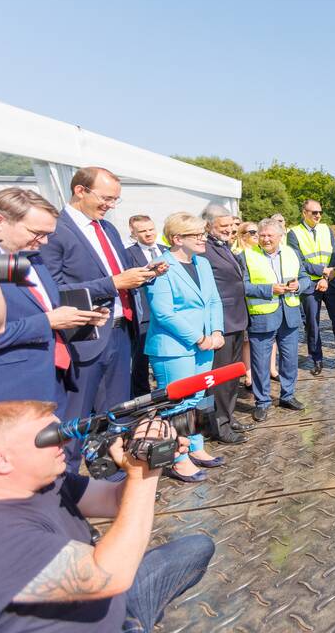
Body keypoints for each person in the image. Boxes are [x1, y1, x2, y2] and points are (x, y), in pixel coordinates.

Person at [0, 400, 214, 631]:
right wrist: (144, 470)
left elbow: (113, 500)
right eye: (52, 436)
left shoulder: (44, 482)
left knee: (198, 547)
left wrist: (149, 458)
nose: (66, 442)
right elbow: (108, 576)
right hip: (106, 587)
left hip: (115, 604)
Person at [42, 167, 163, 468]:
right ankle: (64, 479)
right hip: (85, 338)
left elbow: (120, 276)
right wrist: (112, 284)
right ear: (80, 191)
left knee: (115, 412)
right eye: (106, 198)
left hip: (122, 333)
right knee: (78, 416)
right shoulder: (56, 230)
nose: (110, 205)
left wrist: (146, 275)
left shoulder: (107, 229)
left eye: (115, 200)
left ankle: (108, 473)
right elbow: (51, 290)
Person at [0, 189, 108, 417]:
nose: (45, 241)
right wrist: (48, 321)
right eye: (38, 233)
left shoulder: (31, 255)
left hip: (52, 378)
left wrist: (80, 316)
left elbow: (41, 305)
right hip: (6, 391)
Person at [143, 213, 225, 483]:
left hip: (205, 344)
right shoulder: (161, 266)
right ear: (177, 239)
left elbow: (213, 300)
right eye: (197, 235)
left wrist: (216, 331)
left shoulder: (202, 263)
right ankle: (178, 458)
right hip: (174, 347)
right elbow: (163, 313)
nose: (203, 238)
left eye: (203, 233)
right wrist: (198, 337)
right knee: (177, 404)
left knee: (199, 397)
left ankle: (195, 445)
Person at [241, 218, 310, 422]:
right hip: (263, 316)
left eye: (270, 235)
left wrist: (298, 286)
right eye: (262, 235)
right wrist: (269, 289)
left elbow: (305, 278)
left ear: (281, 236)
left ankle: (287, 395)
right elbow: (242, 286)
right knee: (260, 362)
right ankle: (262, 402)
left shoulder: (292, 253)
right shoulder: (246, 255)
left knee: (289, 360)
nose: (265, 239)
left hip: (289, 314)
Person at [200, 205, 252, 445]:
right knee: (220, 378)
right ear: (209, 225)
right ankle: (218, 425)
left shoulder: (226, 246)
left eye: (232, 226)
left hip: (236, 319)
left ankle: (228, 417)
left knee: (232, 376)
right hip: (220, 322)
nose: (230, 230)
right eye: (224, 226)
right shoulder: (204, 250)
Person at [287, 200, 335, 376]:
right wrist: (321, 271)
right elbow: (298, 260)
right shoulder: (293, 233)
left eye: (320, 212)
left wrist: (325, 276)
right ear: (304, 213)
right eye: (314, 212)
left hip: (329, 280)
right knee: (312, 324)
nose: (318, 215)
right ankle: (317, 359)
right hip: (308, 283)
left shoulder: (326, 229)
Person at [124, 215, 169, 397]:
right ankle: (143, 399)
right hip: (145, 314)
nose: (148, 234)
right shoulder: (127, 254)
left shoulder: (167, 250)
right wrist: (151, 273)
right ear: (133, 233)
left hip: (169, 311)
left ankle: (166, 393)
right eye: (142, 231)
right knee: (141, 361)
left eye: (151, 229)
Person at [231, 222, 260, 389]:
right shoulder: (238, 254)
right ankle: (248, 374)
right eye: (252, 232)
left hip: (259, 303)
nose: (256, 234)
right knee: (246, 341)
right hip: (244, 303)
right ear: (243, 236)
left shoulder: (259, 253)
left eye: (258, 231)